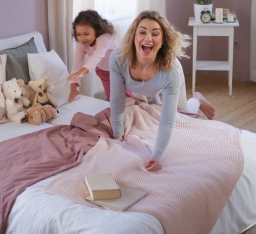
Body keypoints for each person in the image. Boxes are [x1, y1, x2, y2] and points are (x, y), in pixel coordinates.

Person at [109, 10, 216, 172]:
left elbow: (167, 121)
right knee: (153, 109)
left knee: (182, 111)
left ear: (162, 40)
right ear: (134, 37)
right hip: (143, 88)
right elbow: (117, 102)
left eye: (155, 33)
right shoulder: (118, 59)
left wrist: (156, 156)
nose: (148, 38)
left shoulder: (171, 69)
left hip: (164, 81)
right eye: (142, 32)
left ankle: (196, 99)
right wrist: (118, 136)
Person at [67, 10, 119, 102]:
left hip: (120, 71)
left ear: (97, 30)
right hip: (104, 72)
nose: (82, 38)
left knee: (126, 98)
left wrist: (82, 71)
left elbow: (98, 54)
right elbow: (77, 63)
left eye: (86, 34)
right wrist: (73, 86)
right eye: (79, 34)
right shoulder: (81, 43)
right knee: (112, 98)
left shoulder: (105, 38)